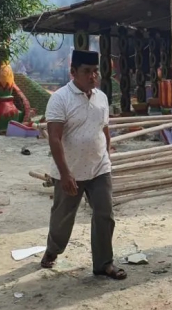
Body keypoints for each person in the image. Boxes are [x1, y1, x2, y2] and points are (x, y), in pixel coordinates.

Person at [39, 50, 126, 280]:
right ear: (73, 72)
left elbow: (104, 129)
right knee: (63, 218)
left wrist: (106, 155)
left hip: (99, 168)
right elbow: (54, 138)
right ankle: (52, 250)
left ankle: (104, 264)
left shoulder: (101, 98)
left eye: (95, 71)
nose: (92, 76)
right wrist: (66, 173)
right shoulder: (59, 99)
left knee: (104, 215)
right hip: (70, 171)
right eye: (87, 71)